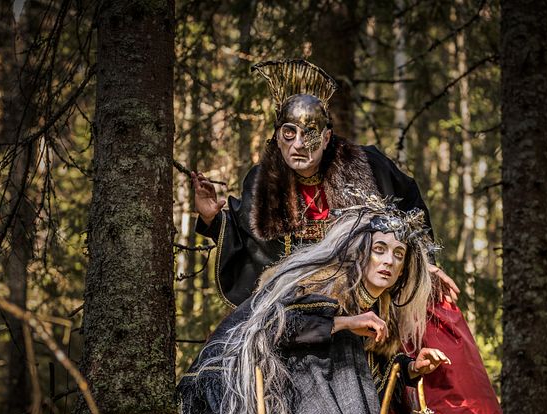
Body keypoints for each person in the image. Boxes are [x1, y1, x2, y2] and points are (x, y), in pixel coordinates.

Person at [190, 59, 460, 308]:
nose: (298, 144)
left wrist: (424, 263)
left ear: (327, 137)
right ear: (277, 136)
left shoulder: (369, 165)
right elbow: (250, 243)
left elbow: (410, 213)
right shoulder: (262, 181)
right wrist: (213, 217)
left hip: (365, 300)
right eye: (289, 133)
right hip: (294, 307)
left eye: (309, 134)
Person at [178, 203, 450, 414]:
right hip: (227, 386)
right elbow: (272, 330)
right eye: (380, 249)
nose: (389, 261)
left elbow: (371, 382)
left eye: (398, 254)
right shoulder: (320, 282)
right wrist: (343, 323)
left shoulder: (380, 310)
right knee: (342, 342)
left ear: (404, 269)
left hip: (290, 395)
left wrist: (412, 367)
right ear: (359, 252)